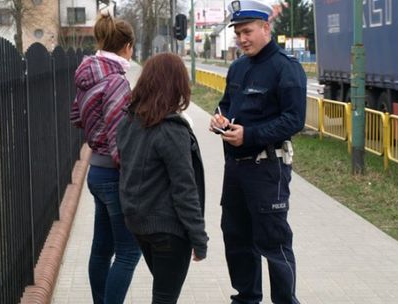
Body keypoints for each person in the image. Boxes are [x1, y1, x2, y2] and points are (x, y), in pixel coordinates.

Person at [209, 1, 306, 304]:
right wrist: (220, 118)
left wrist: (249, 135)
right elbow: (226, 104)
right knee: (236, 238)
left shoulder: (286, 68)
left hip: (268, 168)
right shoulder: (238, 66)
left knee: (273, 242)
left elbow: (294, 119)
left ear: (266, 28)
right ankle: (246, 298)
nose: (241, 39)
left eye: (247, 32)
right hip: (236, 169)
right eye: (237, 33)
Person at [117, 53, 209, 304]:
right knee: (165, 299)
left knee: (163, 294)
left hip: (139, 224)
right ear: (176, 84)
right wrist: (199, 238)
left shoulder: (129, 121)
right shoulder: (171, 130)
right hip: (168, 230)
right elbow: (185, 189)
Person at [70, 13, 140, 304]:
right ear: (127, 47)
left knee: (102, 249)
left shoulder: (88, 76)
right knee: (128, 252)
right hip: (114, 175)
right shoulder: (116, 82)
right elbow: (119, 139)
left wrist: (94, 128)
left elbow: (76, 116)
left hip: (96, 173)